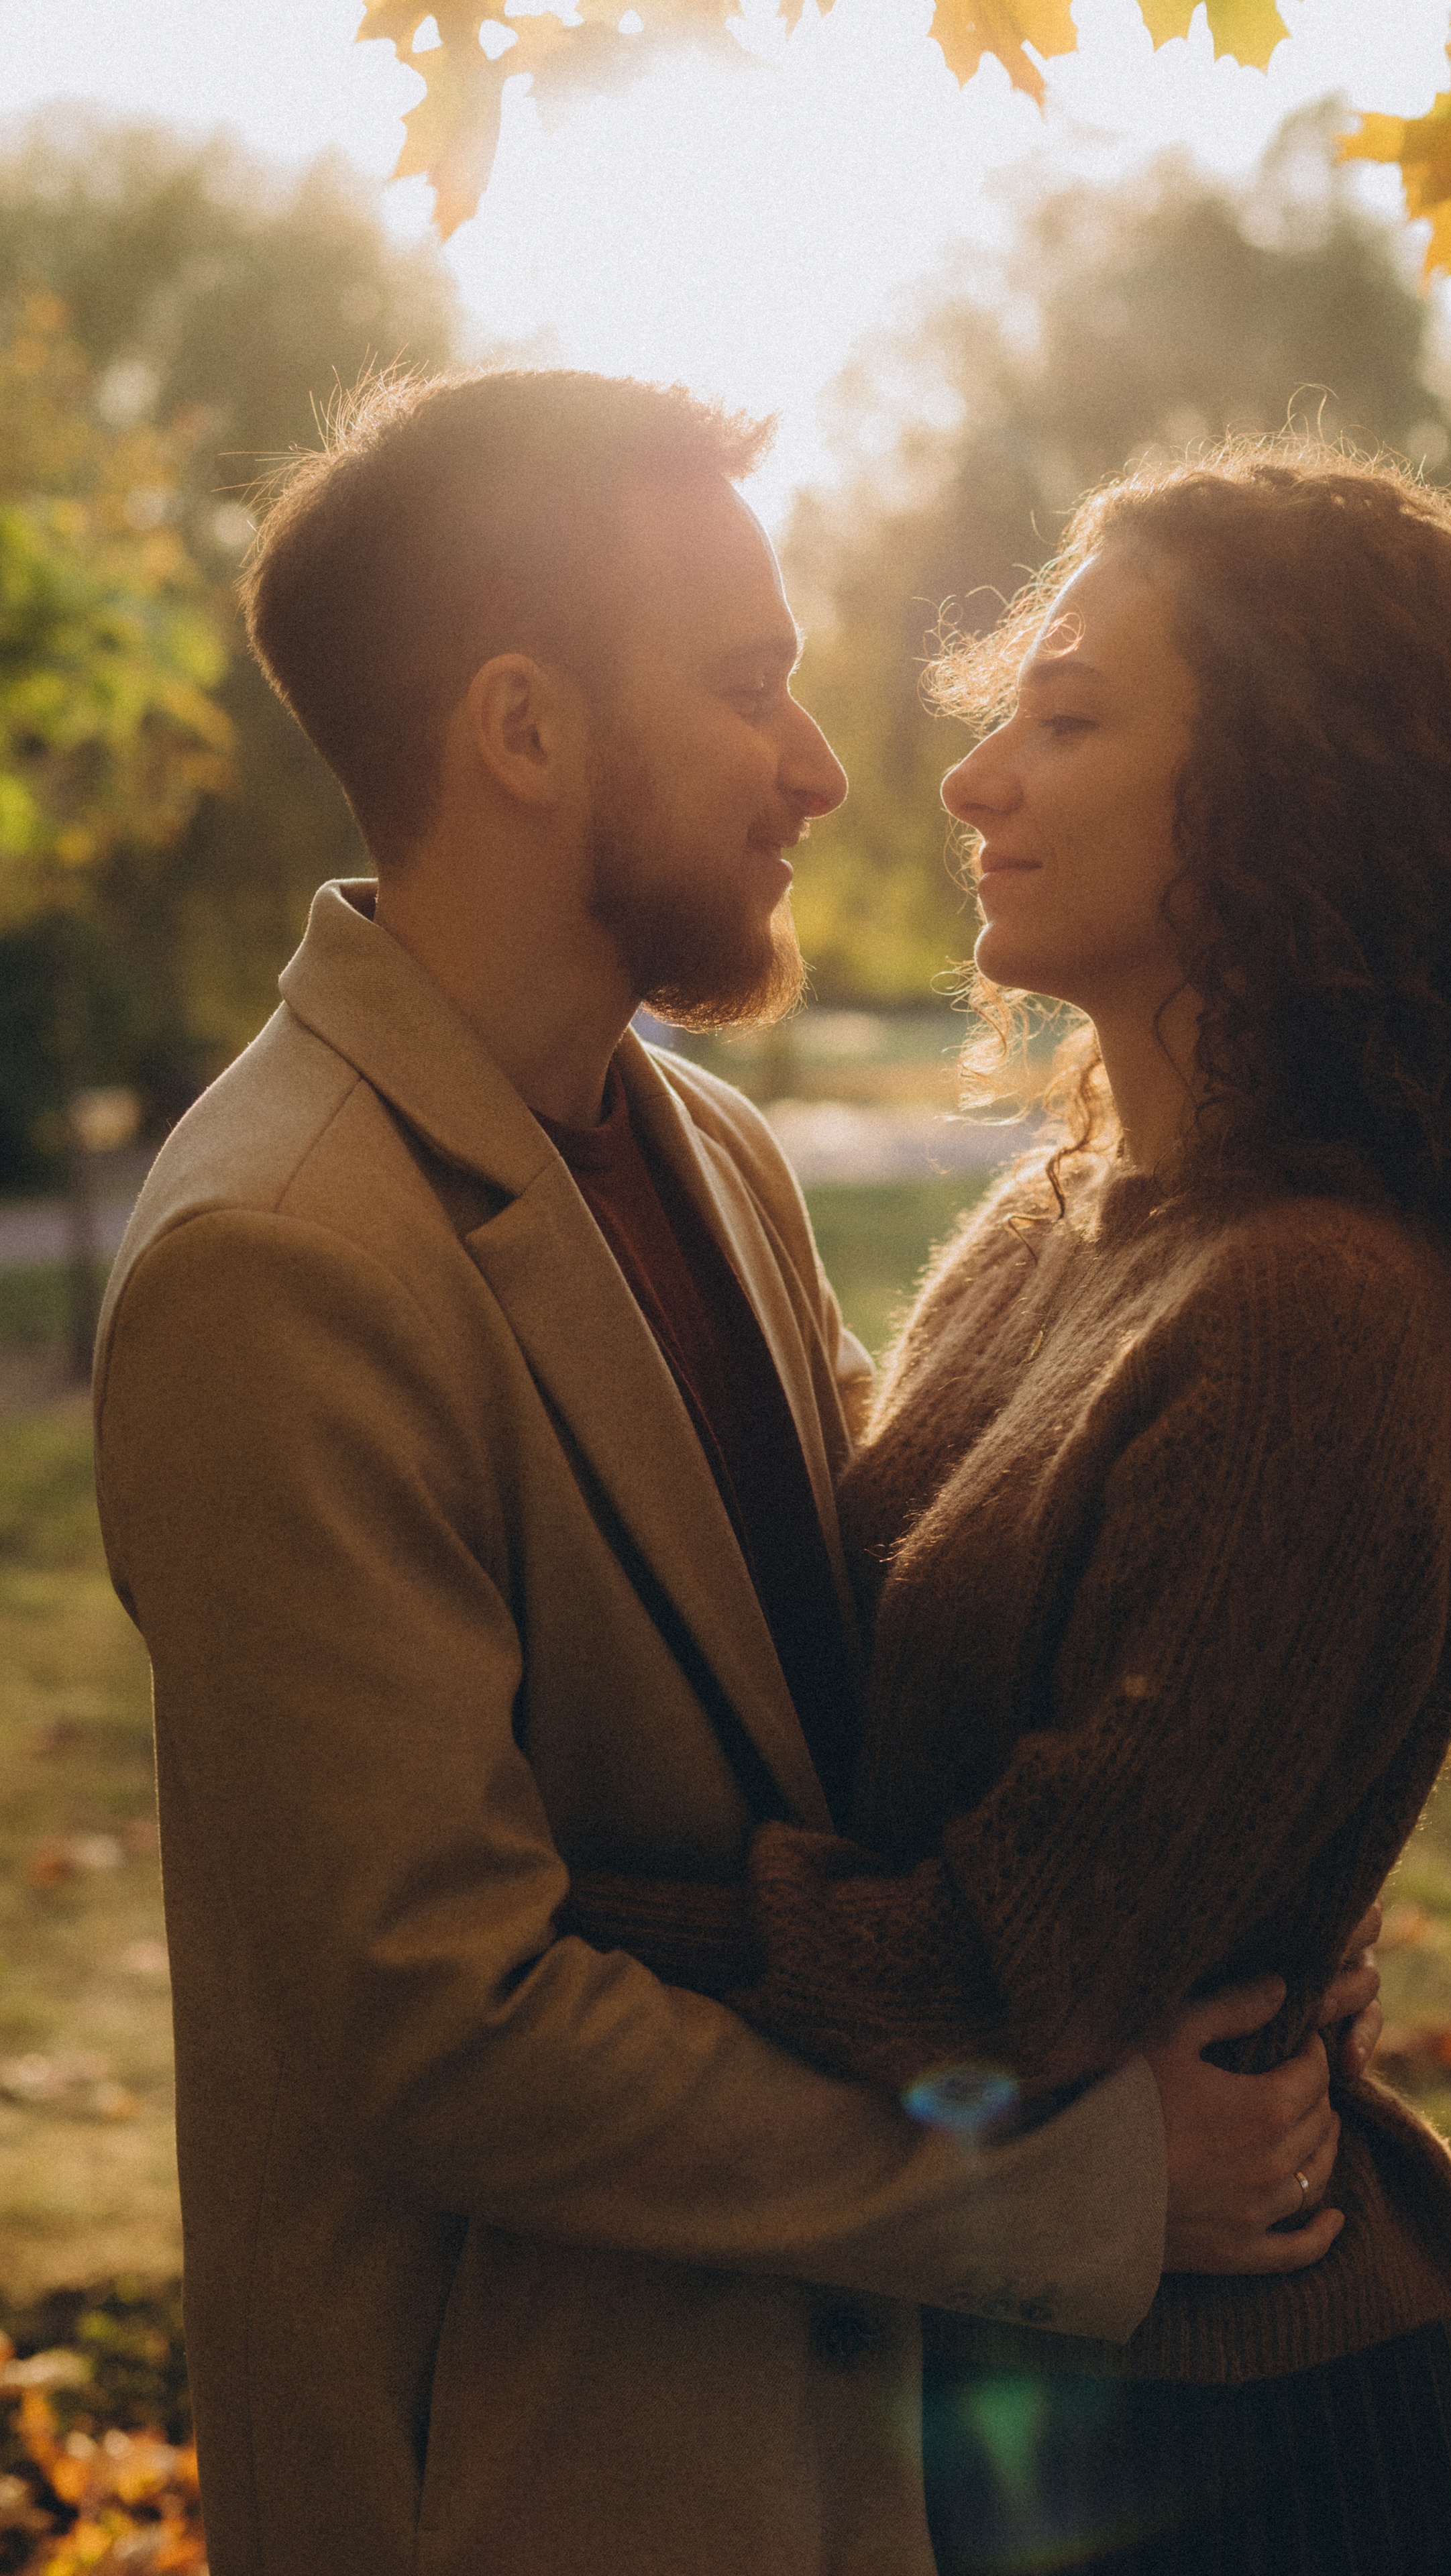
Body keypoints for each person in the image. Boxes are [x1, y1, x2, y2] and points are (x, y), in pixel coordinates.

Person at [91, 374, 1378, 2576]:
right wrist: (1082, 2187)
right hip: (526, 2484)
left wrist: (1219, 1869)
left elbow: (851, 1678)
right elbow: (451, 2031)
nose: (824, 768)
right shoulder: (277, 1264)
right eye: (748, 685)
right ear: (523, 730)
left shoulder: (707, 1150)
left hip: (816, 2458)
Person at [563, 447, 1451, 2574]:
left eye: (1072, 718)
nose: (975, 778)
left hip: (1229, 2450)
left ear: (1291, 794)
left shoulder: (1313, 1317)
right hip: (1034, 2368)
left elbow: (1009, 1969)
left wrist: (543, 1927)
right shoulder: (1061, 1227)